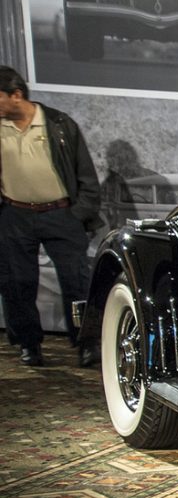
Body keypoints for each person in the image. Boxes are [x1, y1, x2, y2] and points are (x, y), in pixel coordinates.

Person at [0, 66, 101, 367]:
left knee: (76, 282)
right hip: (15, 214)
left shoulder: (59, 124)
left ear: (16, 95)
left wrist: (77, 215)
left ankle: (87, 343)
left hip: (60, 214)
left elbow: (86, 175)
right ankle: (28, 344)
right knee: (17, 284)